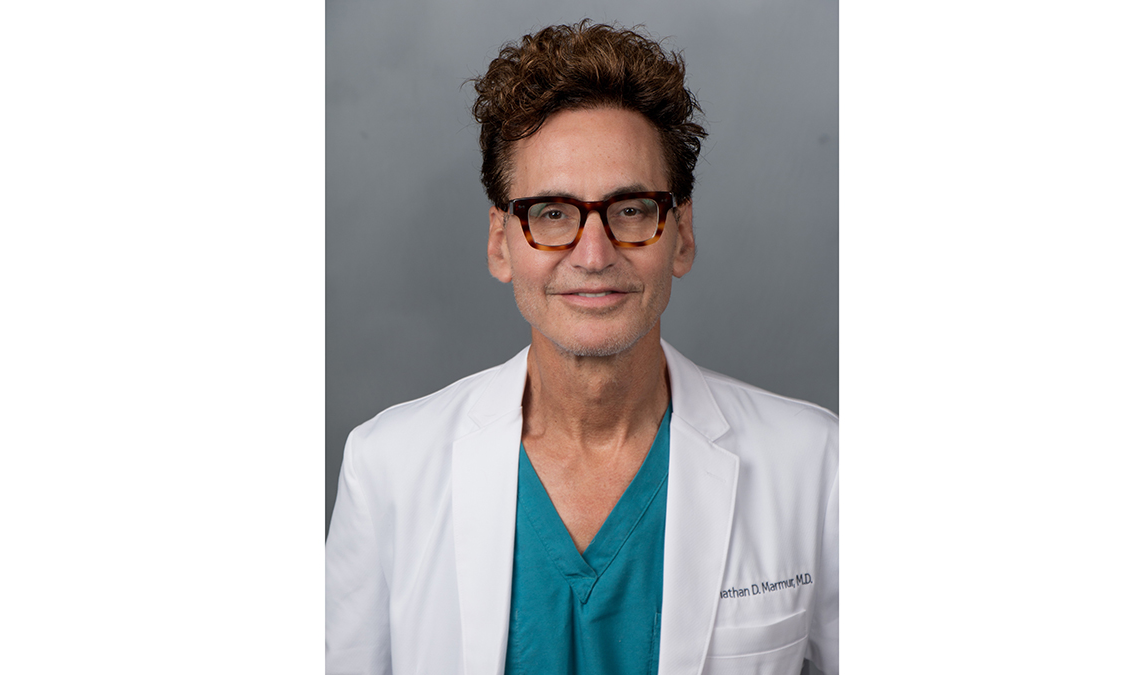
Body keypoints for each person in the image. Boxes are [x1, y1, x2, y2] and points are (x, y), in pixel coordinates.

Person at [325, 20, 838, 675]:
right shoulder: (387, 468)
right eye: (552, 213)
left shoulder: (816, 467)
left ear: (681, 235)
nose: (593, 255)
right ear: (500, 243)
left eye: (631, 210)